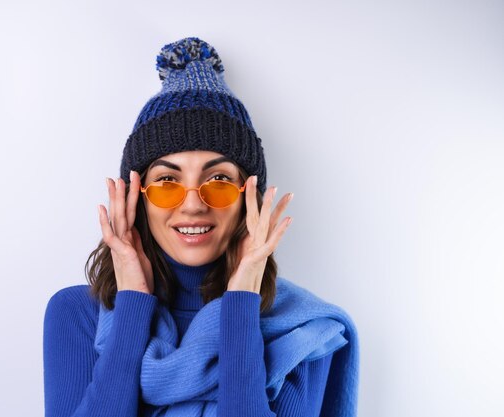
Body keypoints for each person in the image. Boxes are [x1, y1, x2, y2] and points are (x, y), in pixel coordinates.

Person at [43, 37, 359, 417]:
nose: (192, 204)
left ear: (248, 199)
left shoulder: (304, 332)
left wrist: (242, 302)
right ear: (135, 198)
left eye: (219, 180)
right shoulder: (78, 314)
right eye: (165, 181)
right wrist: (131, 309)